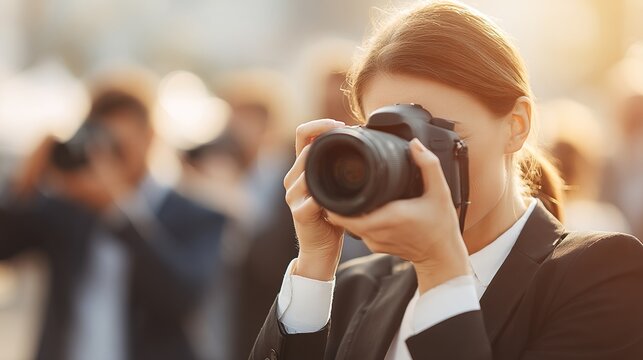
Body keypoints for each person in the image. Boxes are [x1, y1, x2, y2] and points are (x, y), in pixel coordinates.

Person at [250, 2, 643, 360]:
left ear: (516, 126)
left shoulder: (601, 274)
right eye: (390, 140)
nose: (415, 163)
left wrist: (441, 268)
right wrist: (315, 262)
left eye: (435, 137)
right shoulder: (357, 288)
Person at [0, 89, 225, 360]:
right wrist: (25, 182)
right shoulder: (72, 206)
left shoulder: (199, 214)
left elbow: (184, 299)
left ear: (150, 138)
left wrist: (117, 211)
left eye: (119, 147)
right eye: (99, 144)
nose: (106, 159)